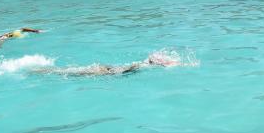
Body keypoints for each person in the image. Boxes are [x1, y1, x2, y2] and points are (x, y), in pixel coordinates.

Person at [30, 52, 180, 77]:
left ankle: (154, 62)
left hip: (105, 71)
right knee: (66, 71)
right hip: (105, 70)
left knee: (67, 72)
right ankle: (154, 62)